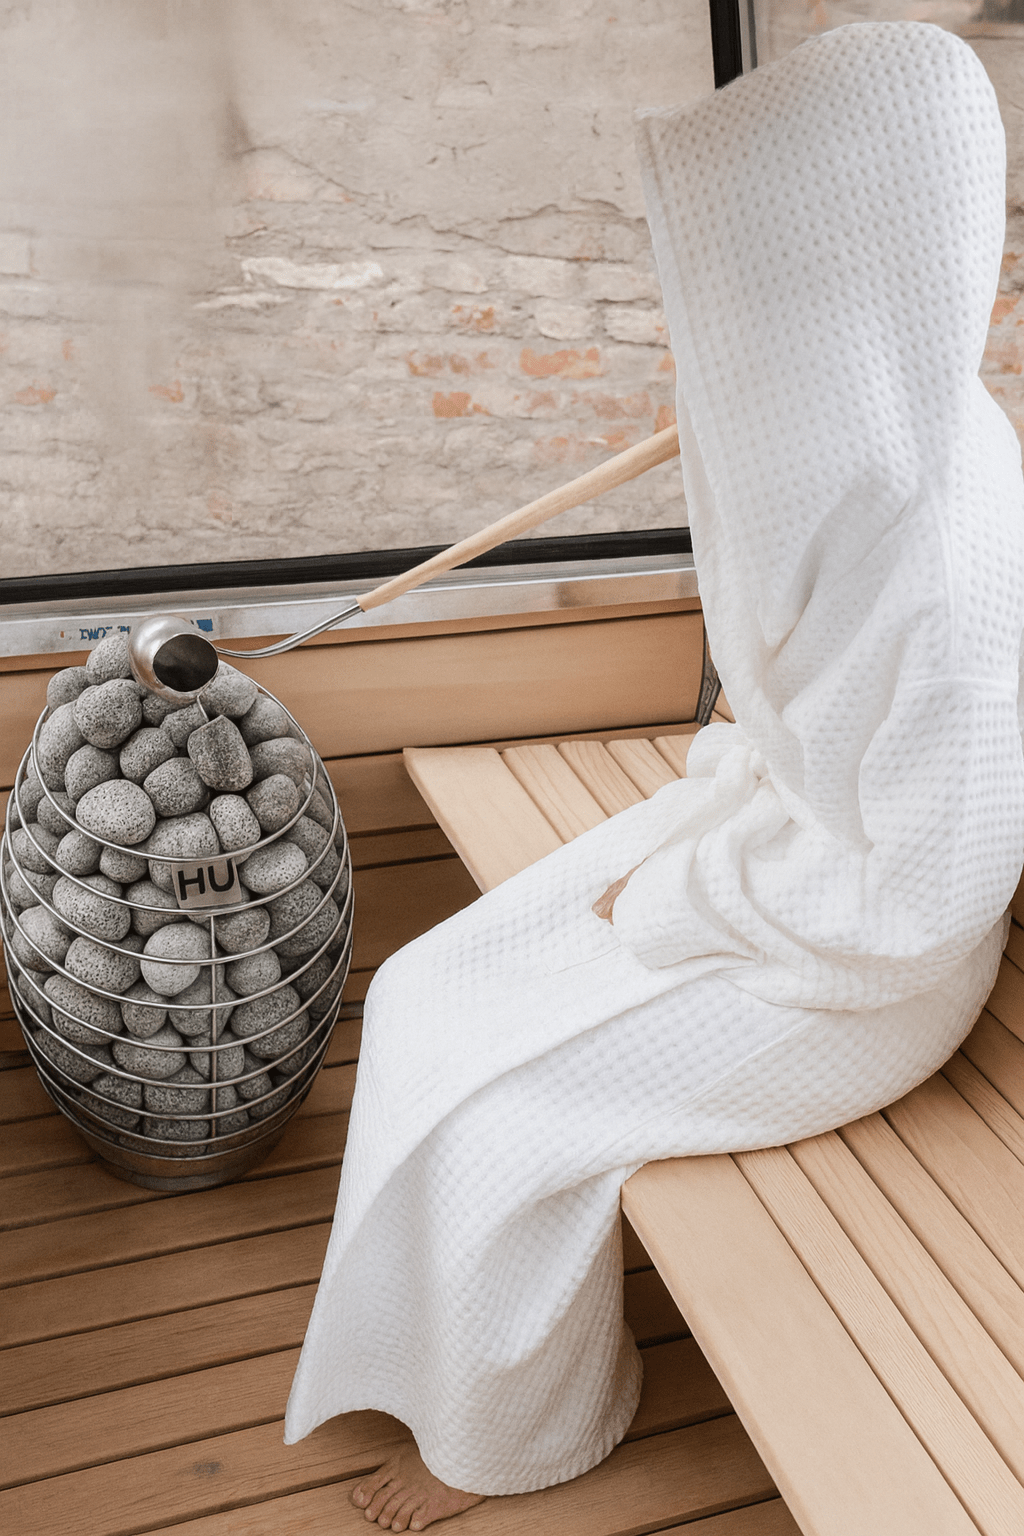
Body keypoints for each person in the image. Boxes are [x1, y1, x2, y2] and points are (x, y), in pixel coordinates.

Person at [284, 21, 1024, 1531]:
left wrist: (673, 897)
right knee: (427, 992)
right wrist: (697, 851)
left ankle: (501, 1442)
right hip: (772, 867)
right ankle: (429, 1352)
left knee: (505, 1129)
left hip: (860, 979)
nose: (739, 343)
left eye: (770, 304)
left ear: (860, 286)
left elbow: (921, 901)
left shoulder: (952, 570)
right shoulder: (873, 442)